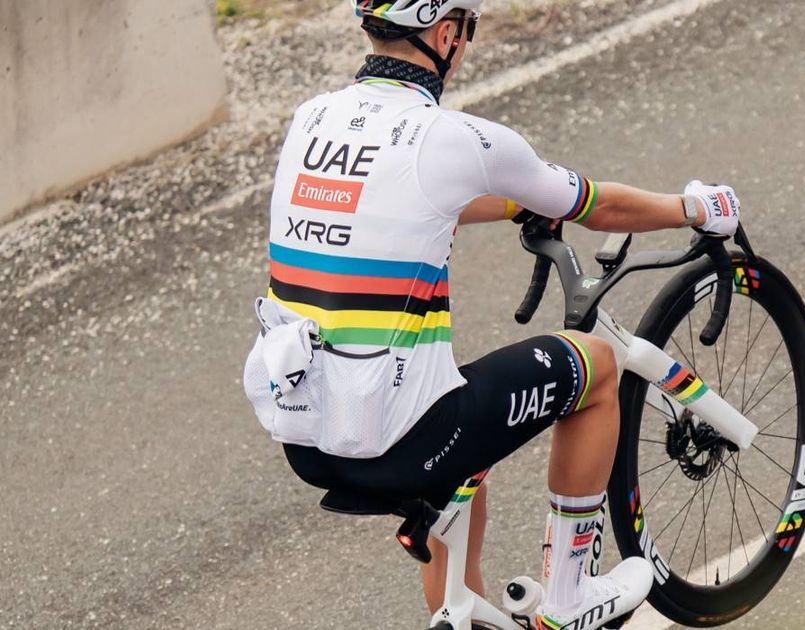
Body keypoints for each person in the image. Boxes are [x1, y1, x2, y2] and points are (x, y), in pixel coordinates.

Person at [241, 1, 741, 628]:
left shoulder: (313, 118)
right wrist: (698, 207)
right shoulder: (456, 138)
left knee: (463, 451)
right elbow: (602, 209)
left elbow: (408, 195)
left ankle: (466, 616)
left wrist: (512, 207)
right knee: (599, 366)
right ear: (447, 33)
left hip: (307, 435)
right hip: (400, 435)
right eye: (467, 30)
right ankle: (570, 597)